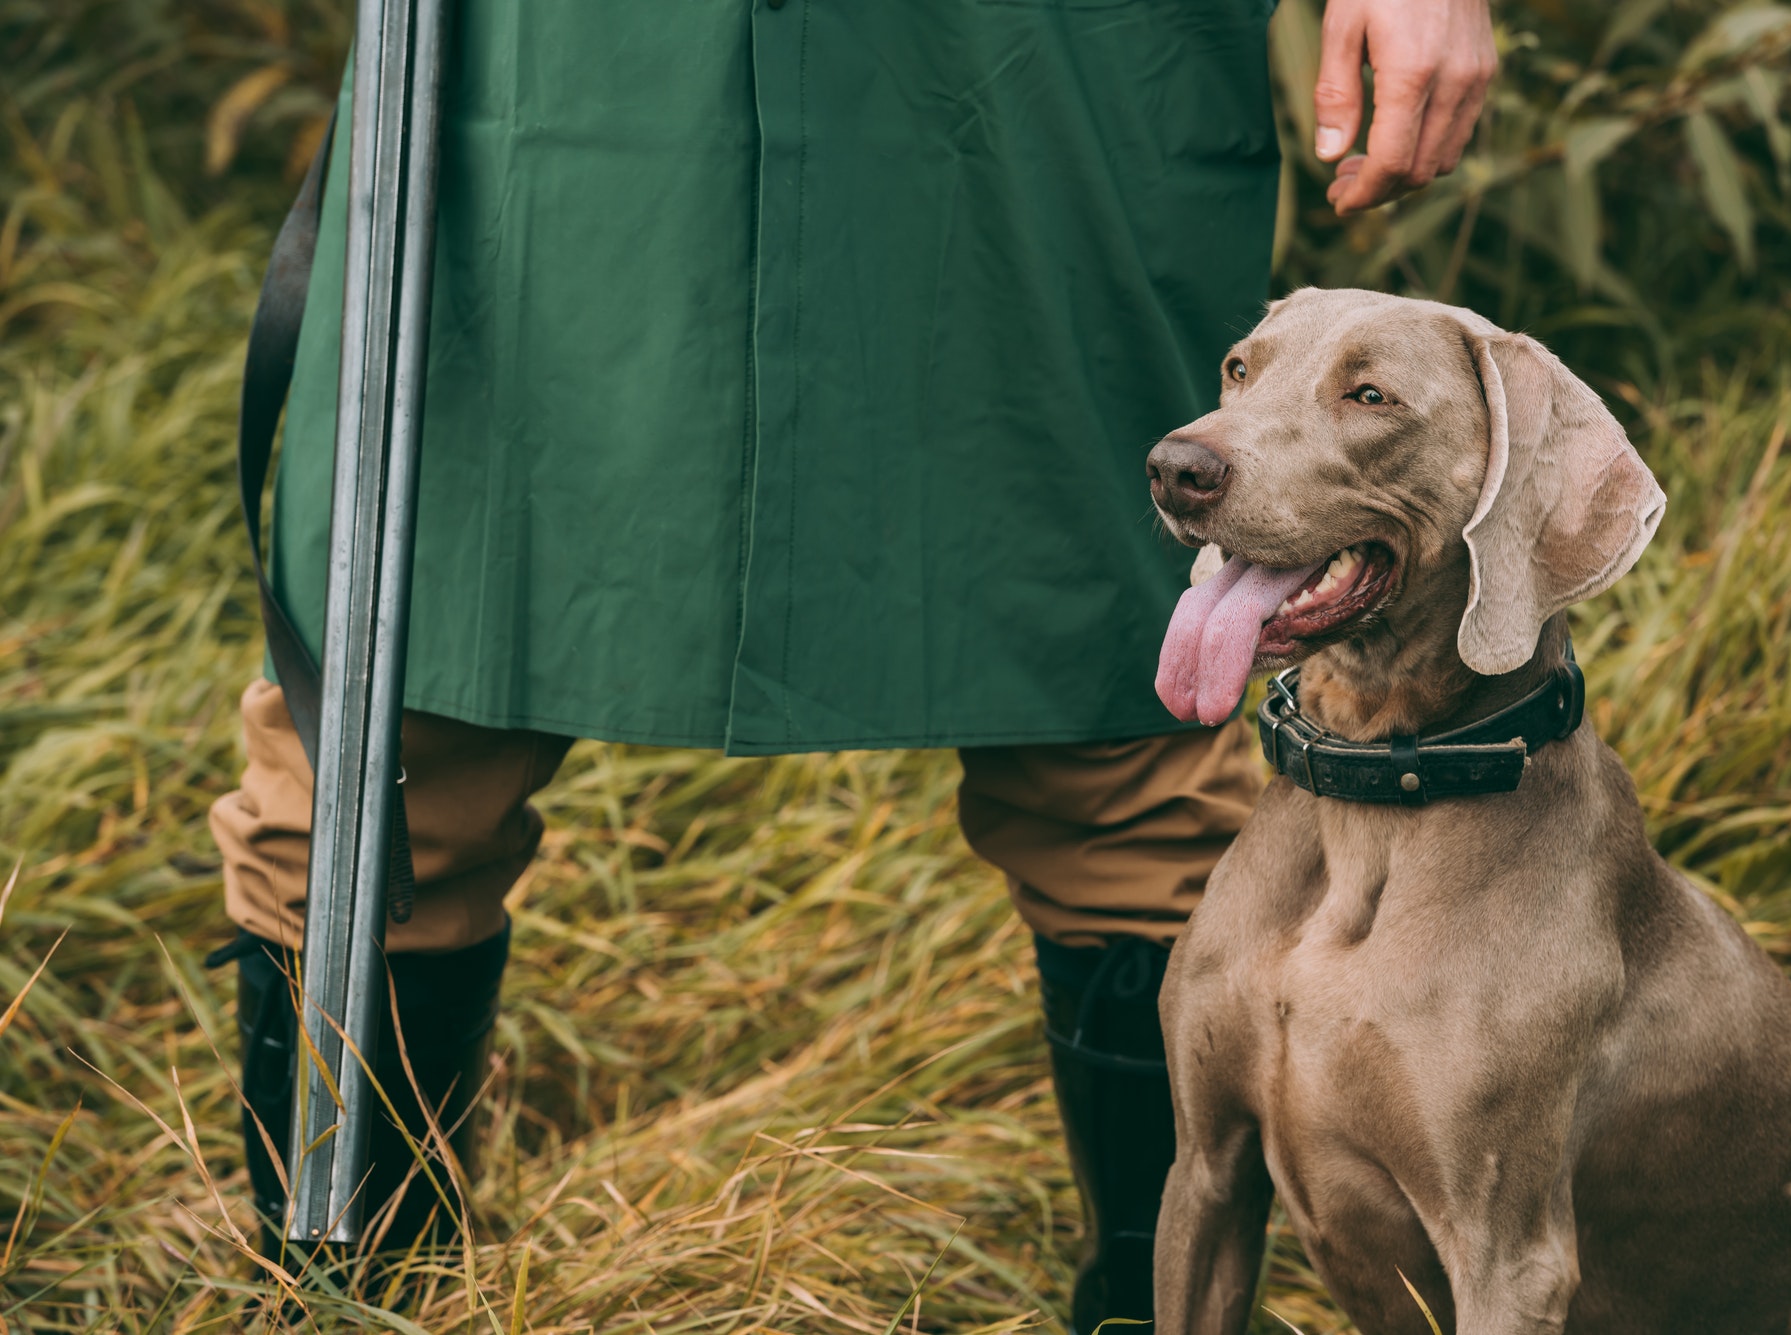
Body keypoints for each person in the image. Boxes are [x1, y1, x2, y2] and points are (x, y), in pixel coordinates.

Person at [206, 0, 1496, 1324]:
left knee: (1125, 724)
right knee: (395, 729)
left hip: (1038, 73)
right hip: (572, 65)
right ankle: (344, 1303)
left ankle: (1151, 1313)